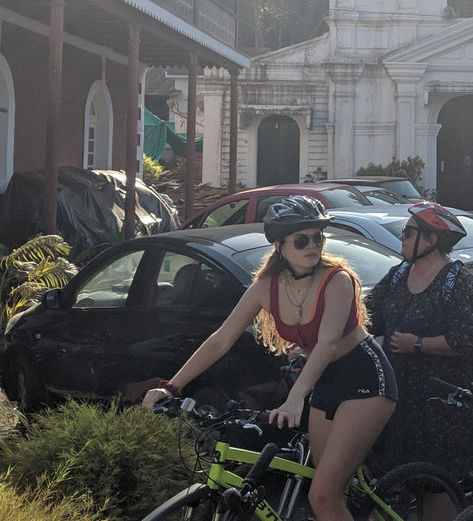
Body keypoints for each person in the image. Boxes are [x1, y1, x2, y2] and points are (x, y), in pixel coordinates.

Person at [142, 196, 397, 521]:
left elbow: (328, 344)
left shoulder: (338, 279)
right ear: (280, 245)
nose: (312, 246)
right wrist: (171, 387)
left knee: (322, 496)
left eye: (318, 238)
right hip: (323, 381)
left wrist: (294, 399)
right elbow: (221, 340)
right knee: (325, 486)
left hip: (365, 379)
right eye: (301, 240)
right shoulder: (267, 286)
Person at [365, 202, 473, 499]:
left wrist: (416, 343)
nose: (402, 238)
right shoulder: (397, 275)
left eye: (408, 232)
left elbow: (470, 340)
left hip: (440, 409)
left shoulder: (456, 282)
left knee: (436, 489)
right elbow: (365, 317)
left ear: (431, 240)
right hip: (398, 402)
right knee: (398, 483)